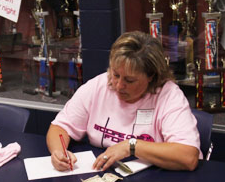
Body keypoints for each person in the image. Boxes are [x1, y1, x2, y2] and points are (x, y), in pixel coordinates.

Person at [47, 30, 201, 172]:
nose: (119, 85)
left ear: (151, 76)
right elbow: (59, 127)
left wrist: (131, 146)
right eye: (115, 75)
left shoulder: (168, 95)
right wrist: (58, 151)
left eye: (130, 80)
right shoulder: (99, 85)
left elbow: (188, 157)